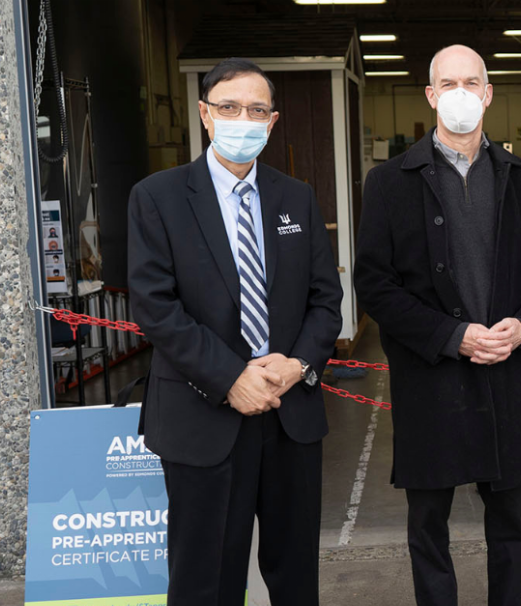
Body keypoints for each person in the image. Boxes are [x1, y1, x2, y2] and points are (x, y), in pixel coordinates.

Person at [353, 45, 521, 606]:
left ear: (489, 93)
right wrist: (453, 336)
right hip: (432, 378)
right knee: (428, 525)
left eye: (472, 82)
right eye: (448, 84)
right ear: (430, 96)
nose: (461, 94)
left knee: (512, 523)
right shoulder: (390, 183)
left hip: (508, 370)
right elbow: (375, 285)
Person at [127, 57, 343, 605]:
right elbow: (156, 308)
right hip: (203, 416)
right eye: (228, 107)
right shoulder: (158, 197)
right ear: (205, 114)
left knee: (295, 576)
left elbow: (326, 300)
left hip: (289, 412)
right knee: (206, 580)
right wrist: (231, 378)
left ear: (272, 122)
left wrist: (297, 365)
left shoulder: (297, 197)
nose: (241, 118)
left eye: (255, 109)